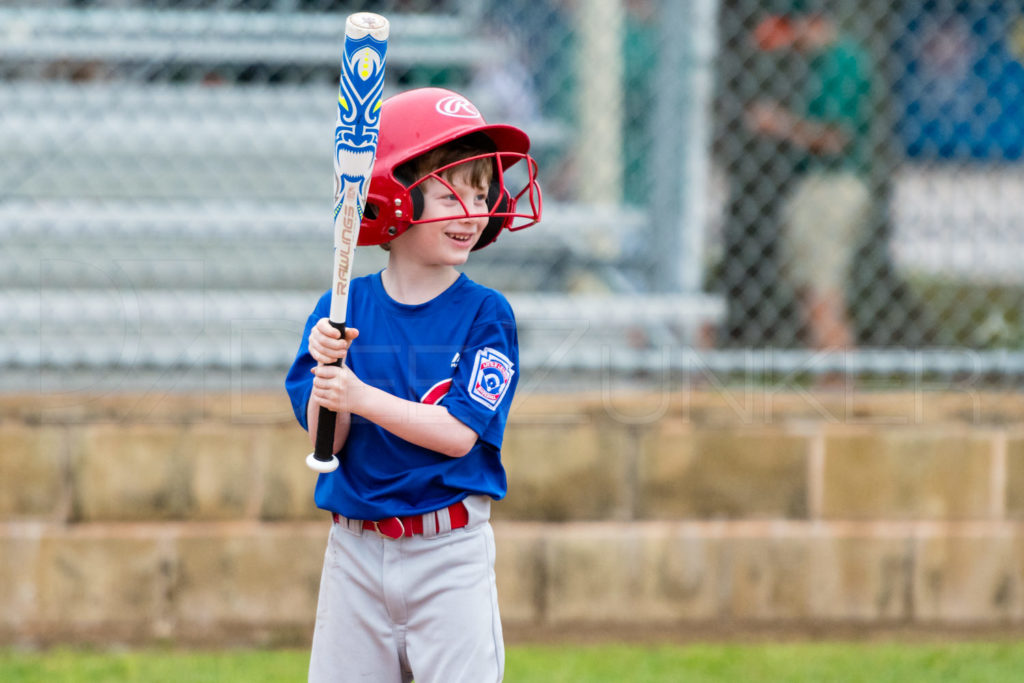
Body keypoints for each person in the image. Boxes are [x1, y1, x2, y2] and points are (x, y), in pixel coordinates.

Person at [285, 87, 541, 682]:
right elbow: (332, 440)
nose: (475, 210)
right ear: (394, 197)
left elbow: (457, 435)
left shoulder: (486, 314)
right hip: (353, 552)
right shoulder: (342, 309)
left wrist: (358, 394)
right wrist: (330, 379)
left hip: (448, 554)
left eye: (482, 193)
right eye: (454, 191)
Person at [744, 6, 874, 350]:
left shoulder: (841, 62)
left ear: (813, 22)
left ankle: (837, 379)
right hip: (817, 185)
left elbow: (835, 138)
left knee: (822, 291)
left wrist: (779, 124)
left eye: (792, 28)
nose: (789, 40)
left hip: (832, 185)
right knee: (809, 289)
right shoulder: (818, 65)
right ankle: (829, 373)